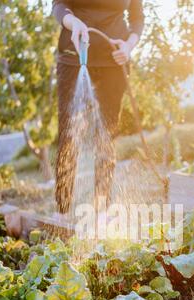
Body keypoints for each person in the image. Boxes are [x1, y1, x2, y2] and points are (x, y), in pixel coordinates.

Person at [52, 0, 144, 214]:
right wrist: (72, 22)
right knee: (68, 136)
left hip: (114, 61)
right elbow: (59, 4)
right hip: (73, 58)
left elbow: (137, 18)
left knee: (107, 136)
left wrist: (128, 46)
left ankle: (101, 209)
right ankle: (62, 210)